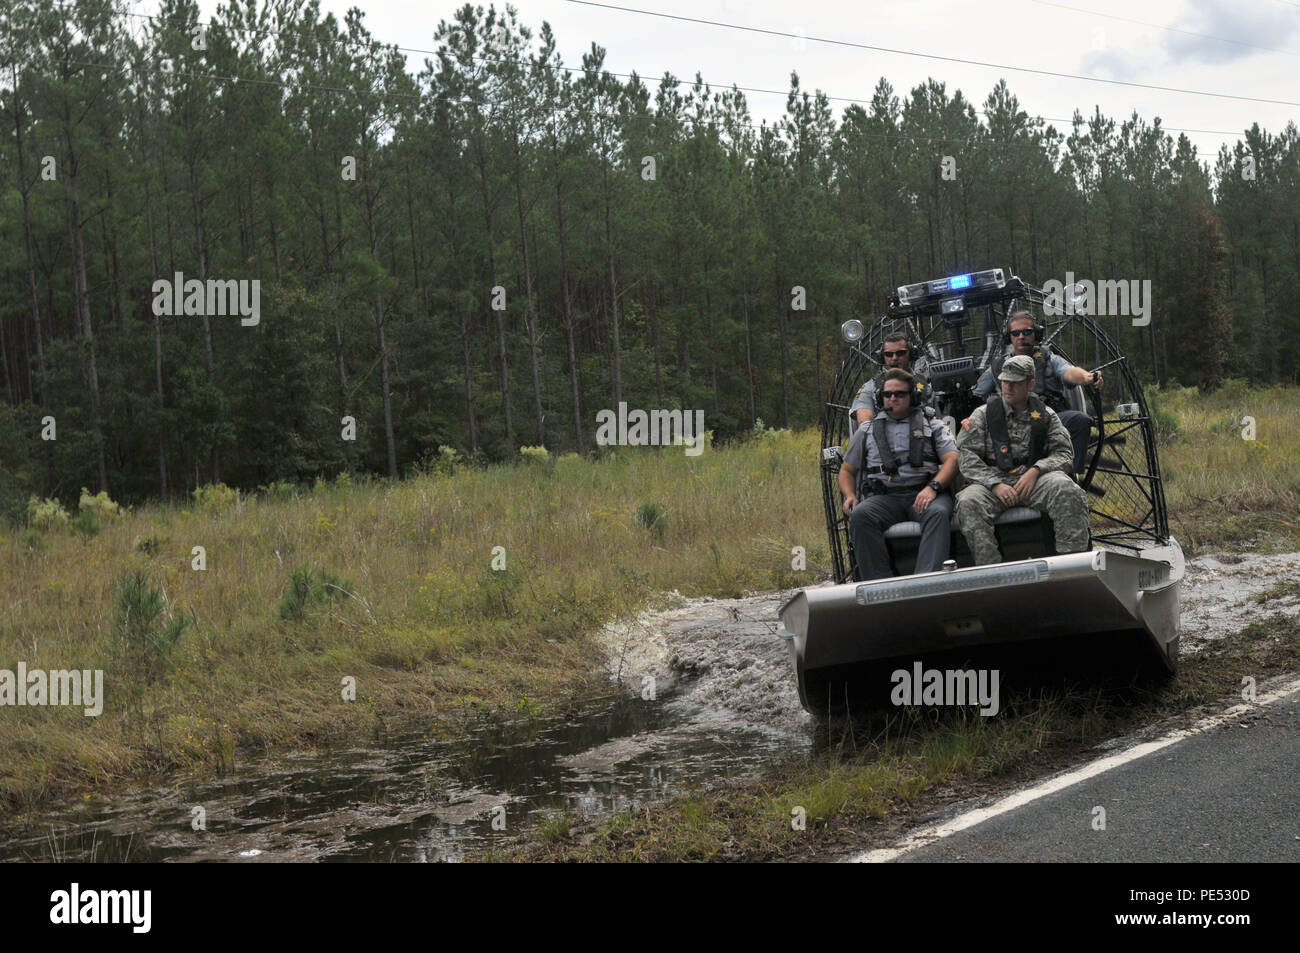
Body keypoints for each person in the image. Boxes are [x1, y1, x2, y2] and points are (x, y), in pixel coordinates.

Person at [955, 355, 1090, 565]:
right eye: (1005, 381)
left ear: (1030, 384)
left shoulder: (1046, 415)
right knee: (968, 502)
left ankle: (1072, 564)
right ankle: (991, 571)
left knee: (1067, 490)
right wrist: (994, 484)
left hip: (1033, 480)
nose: (1008, 387)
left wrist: (1036, 470)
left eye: (1016, 383)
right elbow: (966, 457)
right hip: (993, 482)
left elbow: (1064, 454)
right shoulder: (982, 416)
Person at [839, 369, 959, 580]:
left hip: (925, 493)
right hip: (885, 497)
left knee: (938, 513)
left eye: (899, 394)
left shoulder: (933, 425)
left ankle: (926, 582)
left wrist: (933, 488)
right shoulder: (866, 430)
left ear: (912, 396)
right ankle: (879, 584)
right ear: (880, 397)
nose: (892, 398)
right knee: (861, 515)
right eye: (887, 394)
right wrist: (850, 495)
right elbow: (847, 470)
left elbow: (953, 460)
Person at [972, 312, 1101, 472]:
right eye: (1015, 333)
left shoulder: (1047, 358)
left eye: (1027, 332)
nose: (1021, 337)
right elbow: (975, 393)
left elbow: (1069, 372)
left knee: (1080, 420)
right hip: (1012, 427)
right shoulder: (998, 366)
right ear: (1008, 337)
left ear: (1036, 334)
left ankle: (1070, 476)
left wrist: (1087, 377)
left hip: (1050, 419)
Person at [849, 331, 931, 427]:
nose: (894, 358)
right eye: (889, 354)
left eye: (900, 353)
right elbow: (864, 421)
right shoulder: (871, 387)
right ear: (882, 357)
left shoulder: (927, 384)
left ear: (911, 354)